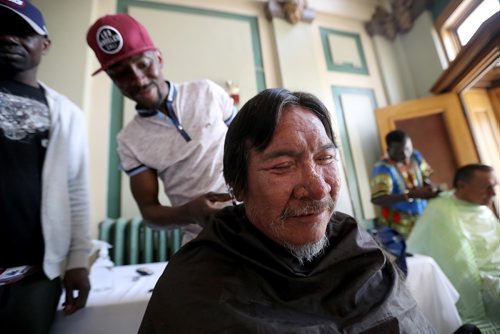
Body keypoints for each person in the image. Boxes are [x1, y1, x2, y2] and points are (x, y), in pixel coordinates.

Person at [139, 88, 436, 333]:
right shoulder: (196, 286)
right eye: (282, 166)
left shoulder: (356, 247)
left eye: (325, 157)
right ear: (237, 186)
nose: (319, 189)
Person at [86, 13, 235, 243]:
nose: (138, 80)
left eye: (143, 65)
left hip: (261, 221)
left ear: (159, 58)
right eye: (121, 74)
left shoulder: (207, 92)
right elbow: (150, 213)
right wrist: (190, 213)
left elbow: (253, 144)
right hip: (205, 241)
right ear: (113, 80)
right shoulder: (129, 141)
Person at [0, 1, 91, 333]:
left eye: (23, 32)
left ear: (45, 45)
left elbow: (77, 190)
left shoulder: (67, 114)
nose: (9, 38)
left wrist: (79, 261)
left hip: (36, 279)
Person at [407, 164, 500, 333]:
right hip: (482, 281)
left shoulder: (483, 210)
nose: (493, 193)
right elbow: (456, 260)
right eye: (487, 187)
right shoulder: (441, 210)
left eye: (495, 186)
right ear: (462, 186)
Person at [370, 129, 439, 238]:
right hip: (399, 229)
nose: (405, 154)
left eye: (407, 148)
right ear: (388, 150)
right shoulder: (383, 168)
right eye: (399, 152)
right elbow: (378, 199)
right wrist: (411, 195)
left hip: (423, 220)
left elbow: (425, 178)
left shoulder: (415, 156)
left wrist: (429, 189)